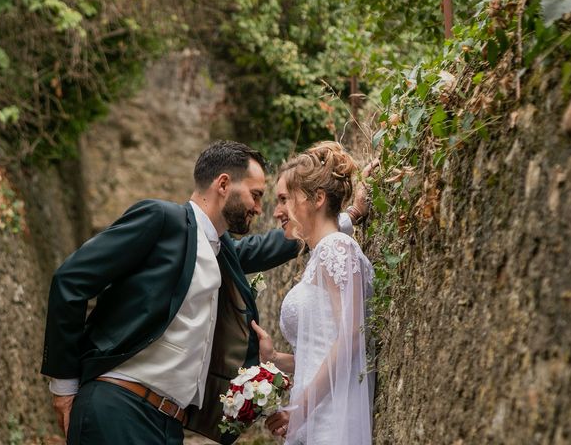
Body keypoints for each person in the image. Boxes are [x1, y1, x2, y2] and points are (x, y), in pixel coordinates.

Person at [40, 140, 368, 445]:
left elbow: (289, 238)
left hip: (169, 425)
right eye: (255, 194)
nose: (260, 208)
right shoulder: (162, 220)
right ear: (223, 185)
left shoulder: (222, 253)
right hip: (117, 407)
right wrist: (64, 387)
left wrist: (347, 216)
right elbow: (71, 280)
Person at [252, 141, 375, 445]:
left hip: (331, 416)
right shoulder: (323, 254)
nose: (278, 211)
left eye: (285, 199)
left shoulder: (338, 248)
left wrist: (300, 409)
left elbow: (351, 340)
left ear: (317, 198)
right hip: (314, 412)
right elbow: (322, 350)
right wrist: (275, 358)